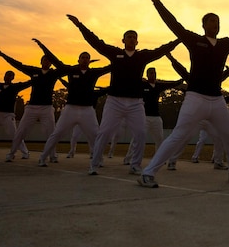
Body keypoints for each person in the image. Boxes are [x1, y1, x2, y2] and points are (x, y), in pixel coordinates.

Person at [137, 0, 229, 188]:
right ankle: (148, 173)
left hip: (217, 99)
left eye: (218, 21)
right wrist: (156, 2)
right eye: (211, 20)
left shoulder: (224, 44)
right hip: (195, 97)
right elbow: (174, 24)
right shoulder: (194, 40)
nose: (215, 23)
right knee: (179, 135)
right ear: (204, 25)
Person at [66, 14, 180, 175]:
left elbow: (162, 49)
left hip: (136, 103)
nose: (132, 39)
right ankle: (94, 164)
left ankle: (135, 165)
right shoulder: (115, 53)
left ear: (137, 42)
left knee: (140, 133)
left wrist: (179, 39)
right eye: (129, 37)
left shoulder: (142, 56)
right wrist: (80, 25)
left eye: (134, 37)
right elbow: (96, 42)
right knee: (104, 132)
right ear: (123, 40)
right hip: (114, 102)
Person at [32, 40, 111, 167]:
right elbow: (56, 61)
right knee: (56, 134)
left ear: (89, 61)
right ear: (78, 59)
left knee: (95, 136)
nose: (85, 59)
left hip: (88, 111)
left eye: (87, 58)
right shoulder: (71, 70)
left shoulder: (93, 73)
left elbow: (111, 67)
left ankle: (98, 159)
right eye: (82, 57)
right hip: (70, 109)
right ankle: (43, 157)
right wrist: (43, 47)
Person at [164, 52, 229, 169]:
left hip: (210, 117)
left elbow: (226, 73)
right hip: (196, 114)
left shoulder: (216, 78)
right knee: (184, 137)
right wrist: (170, 57)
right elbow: (180, 69)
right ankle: (172, 161)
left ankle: (218, 161)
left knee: (219, 138)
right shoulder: (193, 78)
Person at [0, 46, 61, 163]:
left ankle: (53, 156)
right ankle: (11, 153)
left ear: (51, 63)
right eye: (45, 60)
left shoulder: (54, 74)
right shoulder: (34, 71)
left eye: (49, 61)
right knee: (20, 132)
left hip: (47, 108)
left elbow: (66, 68)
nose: (46, 62)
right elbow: (18, 65)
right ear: (41, 61)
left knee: (51, 132)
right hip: (31, 108)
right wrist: (2, 55)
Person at [121, 67, 183, 167]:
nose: (152, 75)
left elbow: (170, 84)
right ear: (147, 75)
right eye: (150, 73)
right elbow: (132, 82)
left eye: (154, 73)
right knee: (137, 138)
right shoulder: (143, 85)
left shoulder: (158, 85)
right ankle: (128, 158)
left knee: (159, 139)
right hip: (144, 117)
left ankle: (160, 159)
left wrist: (180, 80)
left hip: (156, 117)